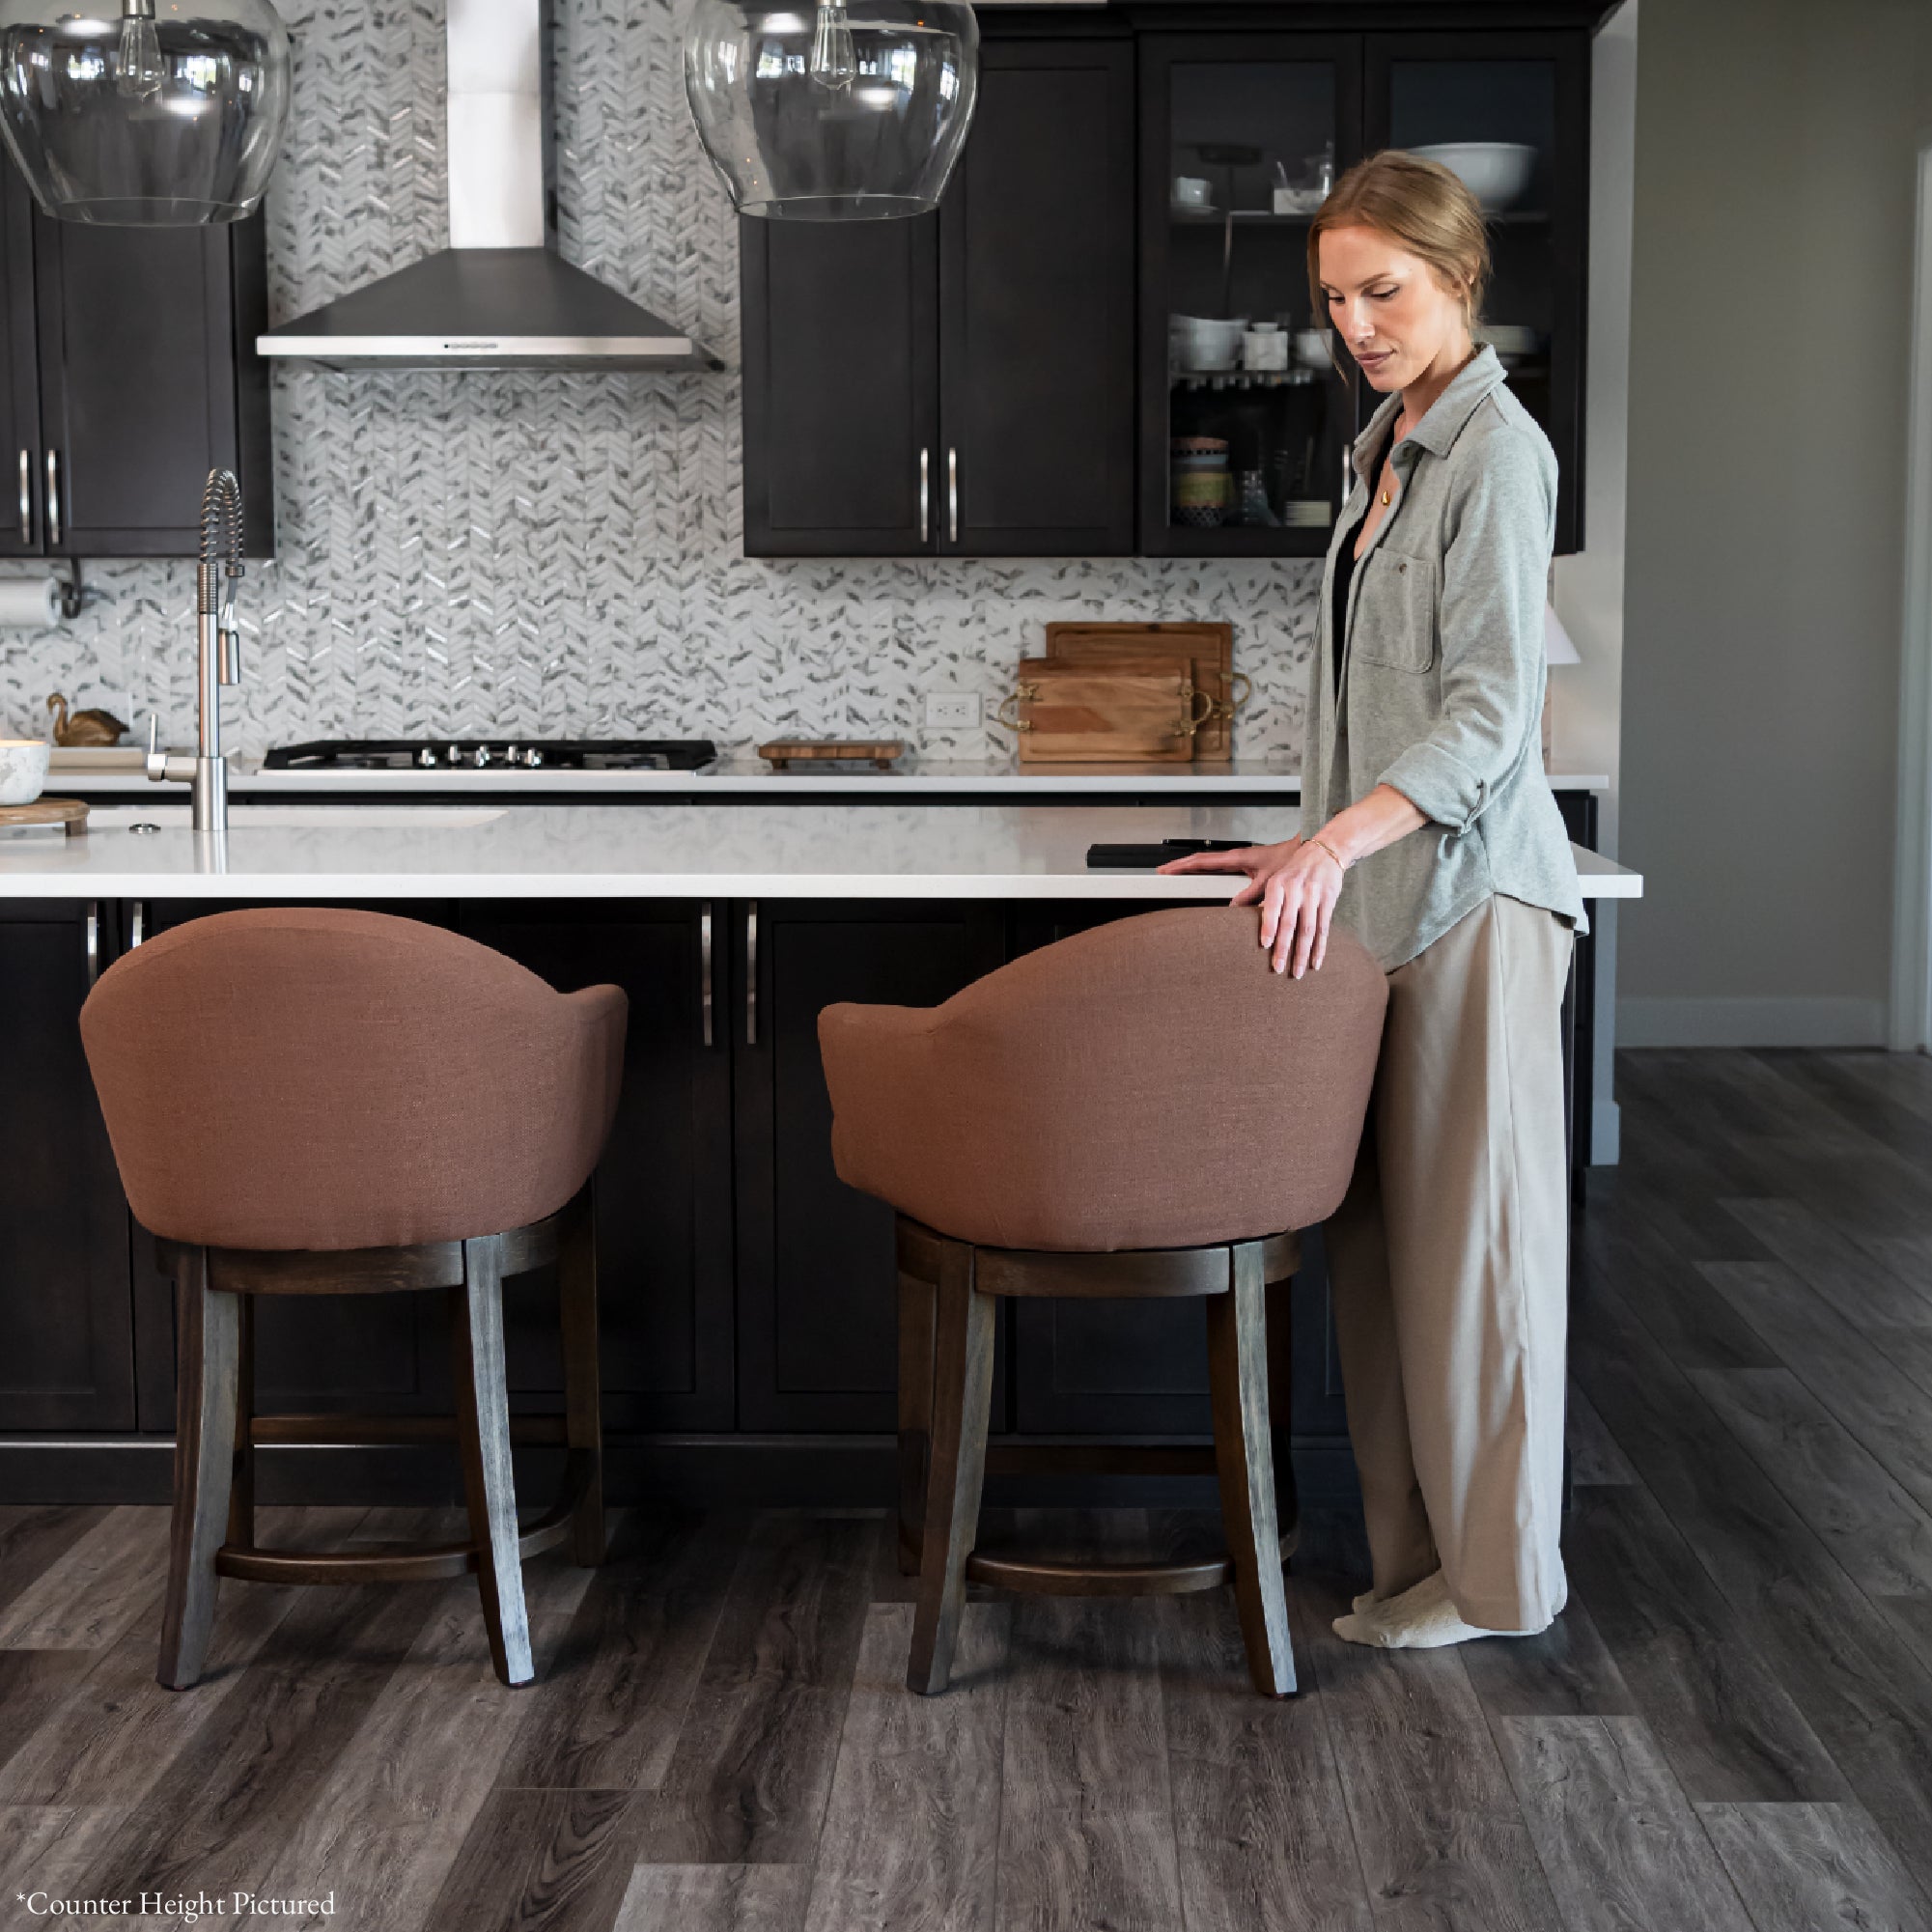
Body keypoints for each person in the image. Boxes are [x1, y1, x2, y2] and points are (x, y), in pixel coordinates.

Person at [1159, 149, 1584, 1649]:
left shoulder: (1498, 454)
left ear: (1459, 279)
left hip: (1467, 902)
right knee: (1377, 1253)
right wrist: (1300, 844)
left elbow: (1482, 716)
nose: (1354, 321)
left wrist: (1329, 849)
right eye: (1334, 297)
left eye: (1381, 291)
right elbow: (1357, 705)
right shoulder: (1383, 447)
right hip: (1372, 909)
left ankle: (1498, 1584)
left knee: (1474, 1259)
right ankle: (1415, 1565)